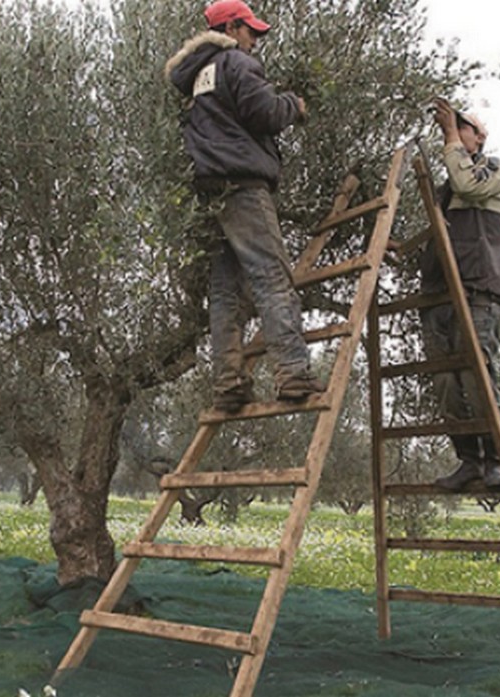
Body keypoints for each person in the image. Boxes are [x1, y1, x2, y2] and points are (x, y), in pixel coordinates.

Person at [166, 0, 324, 412]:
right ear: (232, 28)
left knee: (224, 293)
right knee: (273, 278)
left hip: (209, 193)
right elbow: (264, 112)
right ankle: (292, 373)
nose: (255, 40)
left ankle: (229, 384)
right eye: (251, 31)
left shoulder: (198, 76)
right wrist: (294, 104)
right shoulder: (235, 63)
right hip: (243, 185)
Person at [420, 97, 500, 492]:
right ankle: (469, 461)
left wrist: (447, 139)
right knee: (445, 380)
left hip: (478, 285)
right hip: (441, 291)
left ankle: (494, 460)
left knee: (477, 373)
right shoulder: (445, 188)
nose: (454, 130)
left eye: (463, 126)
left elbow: (466, 183)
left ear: (479, 138)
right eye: (453, 125)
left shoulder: (491, 169)